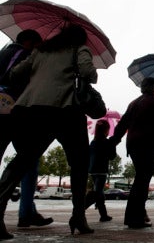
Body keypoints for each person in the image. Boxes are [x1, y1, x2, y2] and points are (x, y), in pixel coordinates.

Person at [0, 24, 97, 240]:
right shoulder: (78, 49)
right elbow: (89, 73)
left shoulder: (40, 51)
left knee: (23, 159)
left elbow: (15, 74)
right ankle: (78, 216)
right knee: (79, 163)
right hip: (64, 109)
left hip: (29, 109)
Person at [0, 30, 53, 228]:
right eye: (37, 44)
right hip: (14, 111)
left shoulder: (4, 51)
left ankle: (28, 211)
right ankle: (25, 213)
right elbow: (15, 77)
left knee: (27, 160)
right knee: (28, 159)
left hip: (9, 109)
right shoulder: (19, 53)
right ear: (29, 42)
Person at [110, 77, 154, 228]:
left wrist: (114, 140)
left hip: (133, 145)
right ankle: (134, 218)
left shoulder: (133, 103)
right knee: (142, 181)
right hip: (148, 145)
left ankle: (137, 215)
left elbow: (123, 124)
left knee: (140, 179)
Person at [85, 119, 117, 222]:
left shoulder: (93, 142)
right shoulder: (106, 142)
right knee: (97, 192)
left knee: (99, 192)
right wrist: (113, 144)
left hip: (93, 170)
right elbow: (112, 156)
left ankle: (103, 215)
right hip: (102, 170)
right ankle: (81, 208)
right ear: (106, 130)